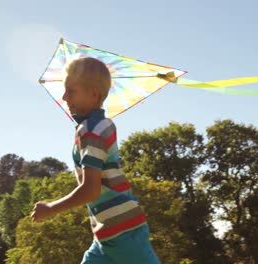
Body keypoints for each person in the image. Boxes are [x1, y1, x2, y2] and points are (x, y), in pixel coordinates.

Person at [30, 57, 160, 263]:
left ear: (93, 94)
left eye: (71, 91)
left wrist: (51, 208)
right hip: (106, 235)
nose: (64, 97)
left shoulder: (91, 130)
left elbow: (91, 190)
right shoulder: (98, 126)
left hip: (124, 234)